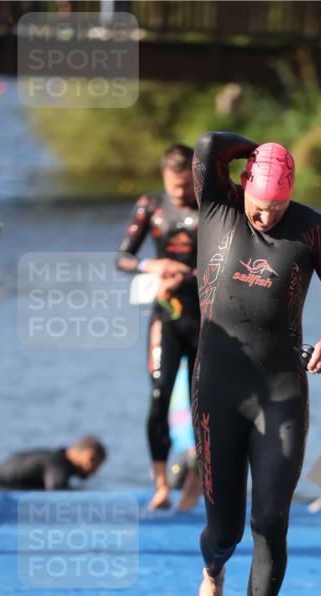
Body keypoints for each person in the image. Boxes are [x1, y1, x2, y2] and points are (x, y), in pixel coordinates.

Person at [191, 131, 321, 596]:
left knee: (270, 519)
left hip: (280, 389)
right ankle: (212, 570)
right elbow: (207, 143)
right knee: (225, 527)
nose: (265, 218)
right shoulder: (218, 203)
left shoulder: (317, 230)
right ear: (244, 185)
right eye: (259, 207)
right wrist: (259, 148)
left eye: (277, 209)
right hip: (217, 388)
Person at [116, 144, 202, 512]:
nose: (180, 194)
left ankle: (196, 484)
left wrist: (190, 273)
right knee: (157, 398)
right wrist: (155, 266)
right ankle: (162, 484)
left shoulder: (212, 208)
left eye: (185, 186)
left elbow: (234, 261)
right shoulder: (150, 205)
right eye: (173, 186)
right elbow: (123, 258)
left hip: (206, 316)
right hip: (165, 315)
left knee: (206, 401)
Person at [0, 435, 106, 491]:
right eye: (96, 467)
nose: (94, 472)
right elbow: (56, 491)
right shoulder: (58, 464)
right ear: (89, 457)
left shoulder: (53, 459)